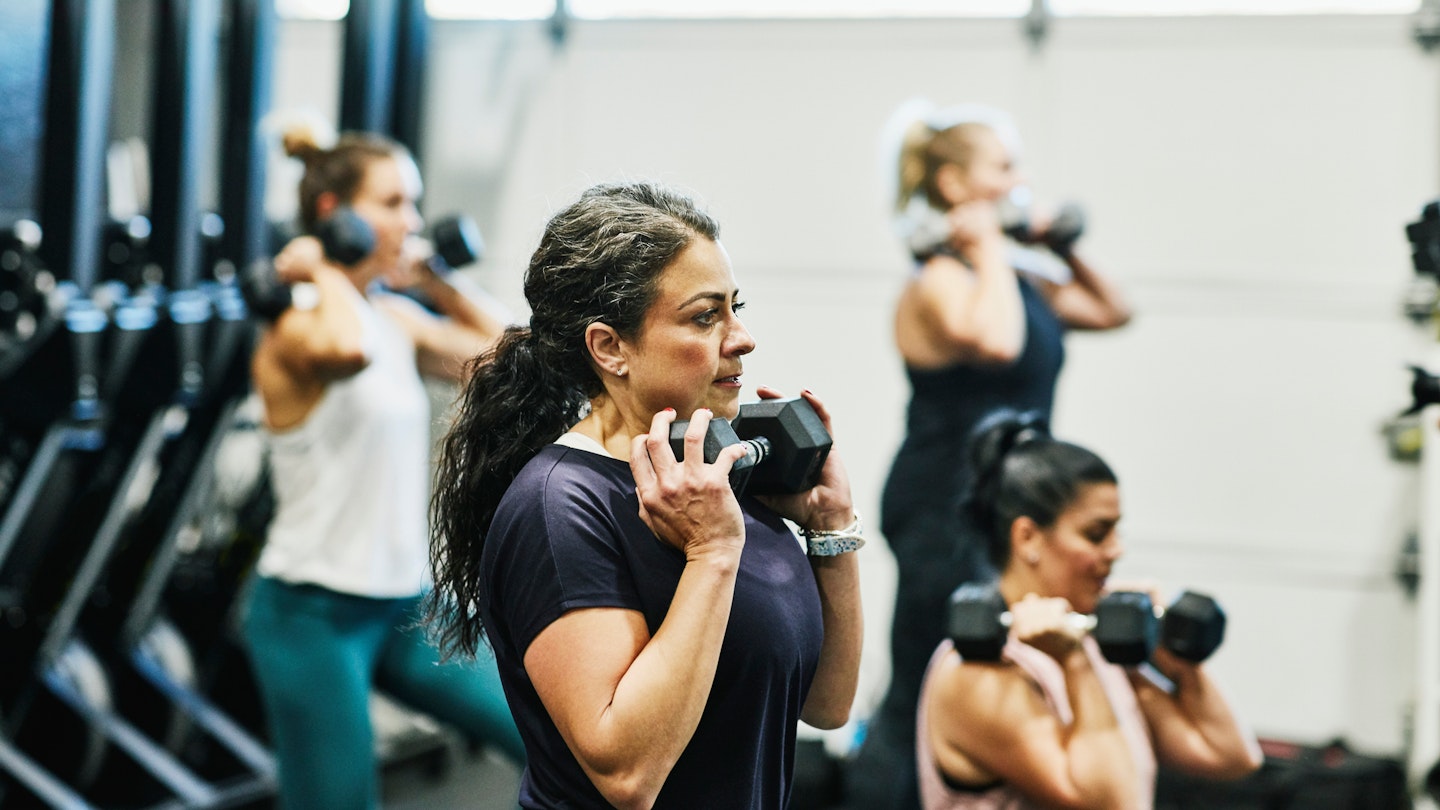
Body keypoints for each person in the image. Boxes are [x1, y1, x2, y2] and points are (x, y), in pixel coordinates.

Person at [427, 181, 865, 809]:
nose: (740, 337)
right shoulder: (559, 508)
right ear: (610, 347)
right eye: (704, 316)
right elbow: (627, 775)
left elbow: (826, 703)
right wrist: (712, 554)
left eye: (736, 308)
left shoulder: (708, 476)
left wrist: (830, 530)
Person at [847, 102, 1134, 809]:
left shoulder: (1017, 277)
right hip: (941, 504)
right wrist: (986, 249)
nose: (1021, 180)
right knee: (928, 674)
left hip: (1006, 502)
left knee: (1003, 664)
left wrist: (1057, 245)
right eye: (1004, 167)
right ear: (953, 186)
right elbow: (997, 343)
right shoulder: (939, 279)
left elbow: (1111, 309)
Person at [242, 127, 523, 810]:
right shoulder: (296, 329)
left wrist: (435, 278)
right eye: (395, 203)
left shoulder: (394, 316)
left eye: (414, 204)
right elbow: (346, 349)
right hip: (312, 616)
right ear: (336, 211)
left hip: (406, 602)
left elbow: (512, 355)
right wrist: (322, 269)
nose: (412, 222)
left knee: (554, 737)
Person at [915, 410, 1262, 809]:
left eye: (1117, 530)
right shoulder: (977, 674)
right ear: (1027, 537)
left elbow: (1230, 756)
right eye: (1096, 533)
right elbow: (1115, 804)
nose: (1117, 550)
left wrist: (1170, 649)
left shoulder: (1095, 643)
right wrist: (1073, 662)